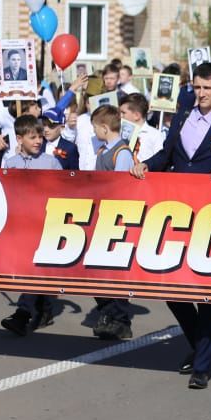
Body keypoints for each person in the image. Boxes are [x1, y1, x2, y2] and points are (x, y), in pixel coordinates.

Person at [131, 61, 211, 389]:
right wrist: (146, 165)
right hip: (178, 211)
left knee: (207, 291)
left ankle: (202, 364)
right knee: (172, 287)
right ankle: (203, 342)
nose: (200, 94)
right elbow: (168, 156)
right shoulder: (183, 115)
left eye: (206, 88)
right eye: (197, 88)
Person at [0, 115, 64, 335]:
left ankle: (22, 314)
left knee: (36, 269)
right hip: (23, 225)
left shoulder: (51, 162)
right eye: (32, 137)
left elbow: (63, 191)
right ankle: (43, 309)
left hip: (46, 223)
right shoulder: (11, 163)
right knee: (34, 270)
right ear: (19, 139)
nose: (38, 141)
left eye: (40, 137)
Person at [85, 105, 140, 340]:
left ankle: (118, 317)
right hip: (100, 214)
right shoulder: (102, 151)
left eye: (95, 128)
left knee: (111, 272)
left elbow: (119, 187)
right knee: (97, 271)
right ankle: (109, 311)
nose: (94, 132)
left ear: (104, 128)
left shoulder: (121, 152)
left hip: (114, 218)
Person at [119, 92, 163, 162]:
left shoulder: (155, 135)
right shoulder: (118, 134)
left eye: (123, 113)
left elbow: (159, 161)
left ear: (136, 115)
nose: (120, 116)